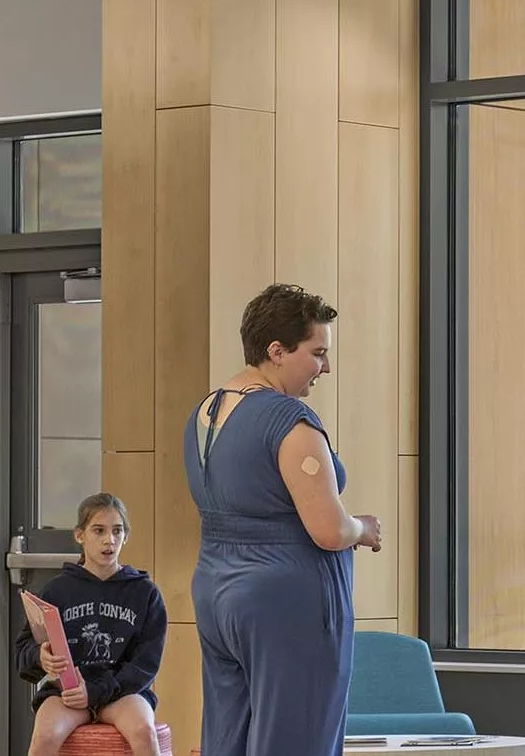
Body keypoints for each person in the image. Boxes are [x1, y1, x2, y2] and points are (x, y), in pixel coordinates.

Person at [184, 284, 378, 756]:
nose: (325, 367)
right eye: (317, 353)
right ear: (276, 351)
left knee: (228, 738)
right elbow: (329, 530)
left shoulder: (204, 413)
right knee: (298, 737)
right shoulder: (289, 418)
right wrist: (363, 528)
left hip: (216, 590)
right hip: (284, 600)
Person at [17, 493, 167, 756]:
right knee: (45, 735)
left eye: (117, 531)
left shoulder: (145, 593)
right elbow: (24, 649)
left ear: (126, 536)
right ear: (80, 535)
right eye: (99, 530)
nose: (109, 540)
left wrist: (97, 690)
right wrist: (41, 657)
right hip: (69, 693)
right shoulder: (57, 590)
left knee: (144, 731)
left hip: (121, 691)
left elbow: (146, 665)